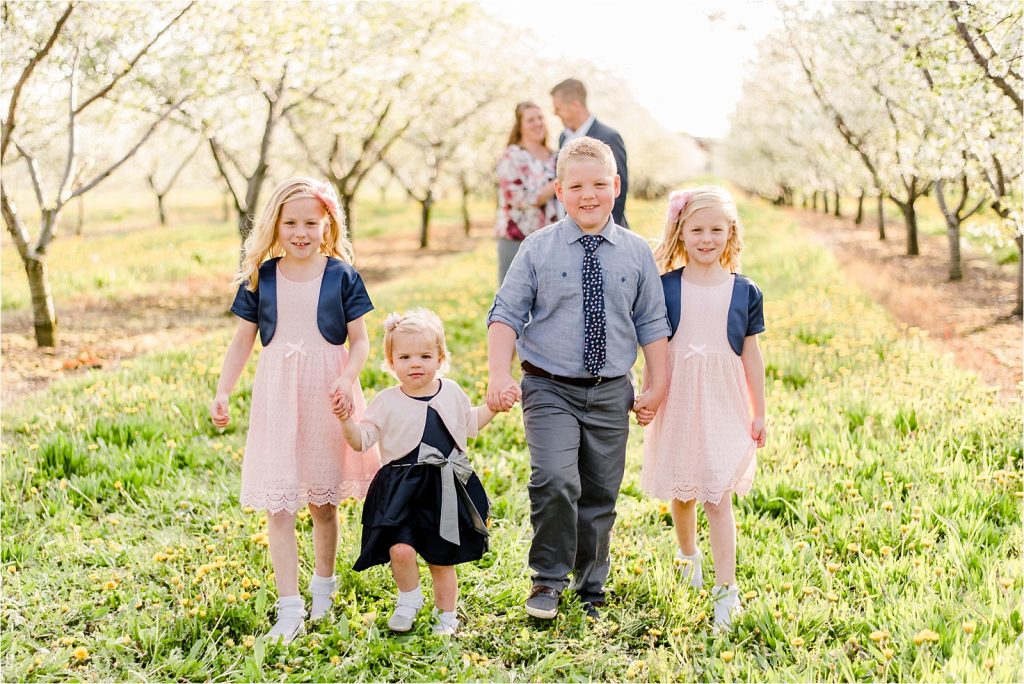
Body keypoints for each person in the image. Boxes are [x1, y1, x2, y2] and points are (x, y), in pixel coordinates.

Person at [486, 136, 669, 620]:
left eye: (598, 185)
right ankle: (547, 579)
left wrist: (656, 386)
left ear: (616, 185)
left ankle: (591, 585)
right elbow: (505, 312)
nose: (588, 195)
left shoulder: (635, 253)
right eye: (576, 186)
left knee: (599, 492)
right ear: (559, 191)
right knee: (553, 479)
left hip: (611, 391)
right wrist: (497, 373)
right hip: (548, 387)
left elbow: (652, 323)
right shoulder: (538, 248)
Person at [210, 177, 380, 644]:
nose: (300, 232)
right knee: (279, 506)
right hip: (277, 396)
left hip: (327, 393)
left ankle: (322, 588)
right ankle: (290, 608)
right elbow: (242, 340)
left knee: (324, 504)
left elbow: (360, 340)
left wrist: (347, 378)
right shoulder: (261, 277)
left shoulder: (341, 275)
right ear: (276, 225)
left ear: (327, 223)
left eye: (311, 222)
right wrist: (224, 391)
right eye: (291, 223)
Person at [640, 186, 767, 631]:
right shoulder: (665, 287)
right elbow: (653, 347)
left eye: (716, 229)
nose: (706, 238)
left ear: (730, 233)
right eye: (697, 229)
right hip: (678, 398)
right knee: (683, 491)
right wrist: (649, 392)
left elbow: (751, 355)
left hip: (722, 401)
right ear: (681, 232)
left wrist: (759, 411)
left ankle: (726, 591)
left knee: (717, 494)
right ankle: (688, 553)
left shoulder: (744, 291)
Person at [334, 309, 505, 636]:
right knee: (400, 549)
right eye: (405, 356)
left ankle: (446, 615)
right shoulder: (385, 402)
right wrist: (345, 420)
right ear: (391, 361)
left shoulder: (451, 391)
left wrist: (493, 408)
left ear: (440, 358)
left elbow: (469, 424)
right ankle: (409, 599)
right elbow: (361, 440)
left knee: (441, 558)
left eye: (425, 355)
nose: (416, 363)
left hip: (444, 486)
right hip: (401, 488)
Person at [550, 78, 629, 229]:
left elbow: (618, 195)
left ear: (575, 105)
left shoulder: (608, 137)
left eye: (558, 108)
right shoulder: (563, 137)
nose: (555, 113)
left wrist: (600, 236)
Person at [495, 101, 559, 285]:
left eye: (540, 118)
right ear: (520, 126)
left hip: (550, 241)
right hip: (517, 238)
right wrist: (558, 183)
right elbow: (520, 198)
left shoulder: (555, 156)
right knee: (513, 298)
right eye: (530, 120)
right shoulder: (512, 156)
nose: (538, 123)